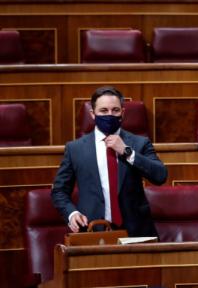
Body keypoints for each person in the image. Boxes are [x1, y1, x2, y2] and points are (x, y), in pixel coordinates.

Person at [51, 86, 167, 236]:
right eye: (104, 111)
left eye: (115, 110)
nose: (110, 115)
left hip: (136, 232)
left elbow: (160, 176)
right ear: (93, 114)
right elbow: (59, 190)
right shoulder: (75, 149)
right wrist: (71, 213)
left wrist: (126, 151)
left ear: (122, 113)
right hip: (92, 230)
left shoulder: (139, 143)